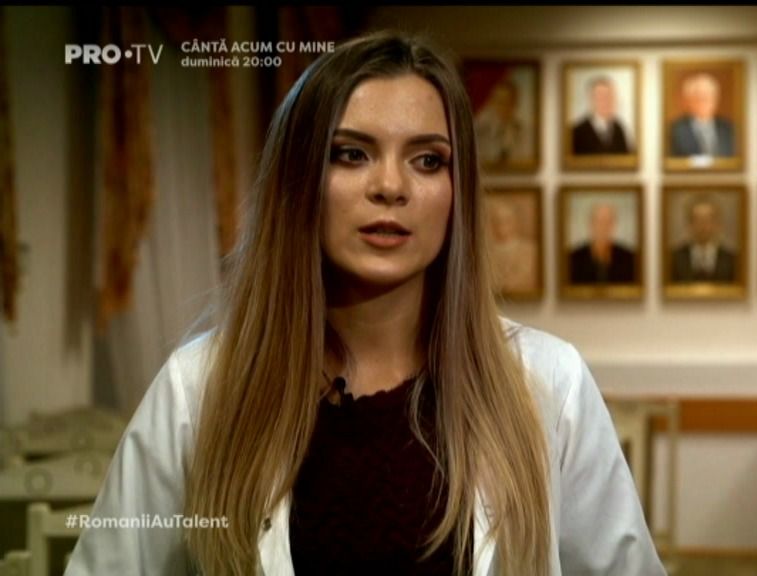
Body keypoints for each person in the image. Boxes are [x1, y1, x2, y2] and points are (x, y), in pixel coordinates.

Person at [66, 31, 664, 576]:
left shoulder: (549, 383)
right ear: (299, 180)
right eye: (352, 154)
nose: (391, 187)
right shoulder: (198, 389)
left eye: (428, 160)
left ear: (457, 191)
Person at [670, 195, 736, 283]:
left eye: (708, 220)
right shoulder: (674, 258)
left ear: (717, 224)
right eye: (698, 220)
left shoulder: (732, 259)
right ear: (689, 225)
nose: (703, 226)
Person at [669, 72, 735, 158]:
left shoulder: (728, 128)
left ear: (716, 99)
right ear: (689, 100)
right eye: (699, 97)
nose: (705, 102)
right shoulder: (676, 129)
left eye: (709, 96)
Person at [569, 202, 636, 284]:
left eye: (608, 222)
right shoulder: (573, 259)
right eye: (599, 222)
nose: (603, 227)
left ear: (614, 225)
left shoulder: (629, 258)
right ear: (591, 224)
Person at [474, 78, 533, 165]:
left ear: (515, 104)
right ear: (492, 103)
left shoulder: (525, 132)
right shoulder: (481, 133)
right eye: (500, 101)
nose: (503, 107)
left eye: (508, 101)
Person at [487, 199, 539, 294]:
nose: (501, 224)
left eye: (507, 220)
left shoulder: (529, 250)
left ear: (516, 221)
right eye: (497, 220)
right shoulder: (486, 252)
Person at [571, 76, 631, 155]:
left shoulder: (619, 128)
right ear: (591, 99)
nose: (608, 101)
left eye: (610, 96)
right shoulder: (576, 132)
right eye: (602, 96)